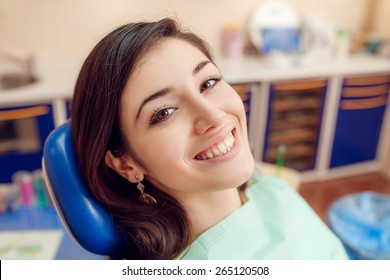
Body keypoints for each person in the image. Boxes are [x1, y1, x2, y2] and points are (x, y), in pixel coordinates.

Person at [71, 18, 348, 260]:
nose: (213, 116)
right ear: (125, 164)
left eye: (208, 83)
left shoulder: (270, 189)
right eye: (165, 112)